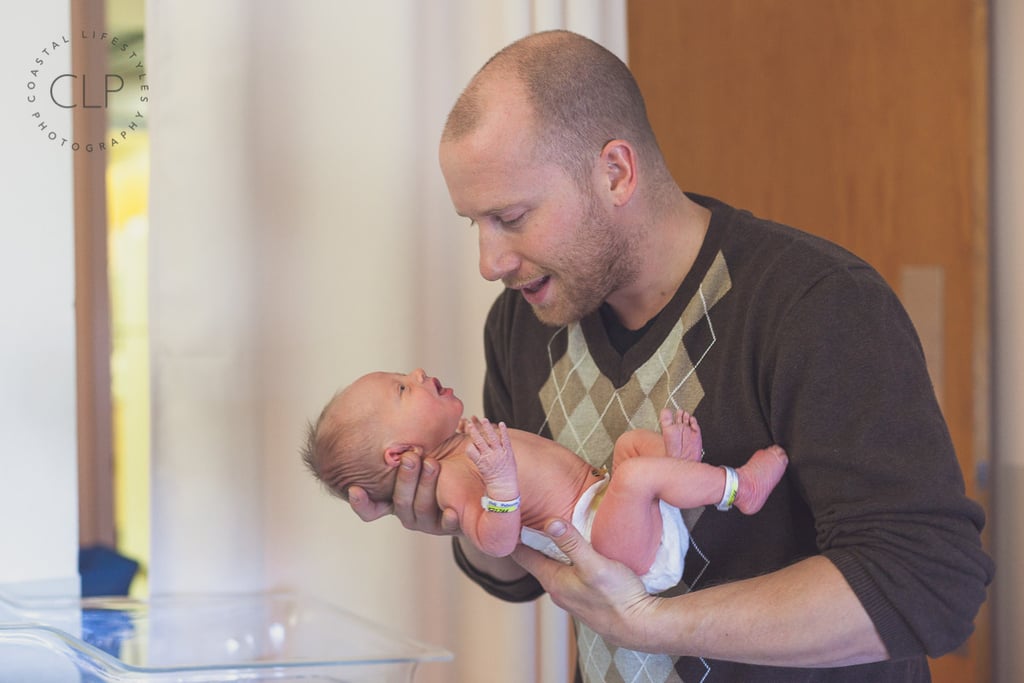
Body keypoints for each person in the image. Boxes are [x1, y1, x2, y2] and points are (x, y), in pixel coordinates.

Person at [349, 29, 994, 682]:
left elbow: (928, 584)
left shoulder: (818, 304)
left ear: (616, 173)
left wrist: (655, 621)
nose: (490, 263)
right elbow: (522, 573)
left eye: (511, 217)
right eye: (475, 224)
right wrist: (459, 511)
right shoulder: (521, 321)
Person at [303, 368, 789, 594]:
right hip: (609, 550)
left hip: (605, 505)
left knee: (631, 450)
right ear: (400, 453)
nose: (418, 372)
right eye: (403, 389)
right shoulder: (452, 476)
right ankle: (737, 488)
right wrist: (500, 486)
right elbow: (494, 542)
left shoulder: (465, 442)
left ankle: (679, 468)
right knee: (636, 475)